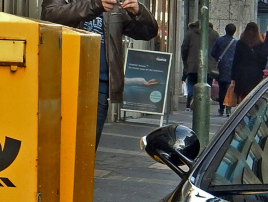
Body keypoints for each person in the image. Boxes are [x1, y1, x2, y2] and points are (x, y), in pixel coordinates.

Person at [42, 0, 158, 148]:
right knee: (56, 146)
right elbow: (49, 16)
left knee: (88, 148)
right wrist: (95, 5)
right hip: (62, 80)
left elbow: (148, 33)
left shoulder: (114, 7)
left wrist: (139, 10)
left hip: (99, 85)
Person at [230, 22, 265, 106]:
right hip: (255, 76)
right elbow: (263, 62)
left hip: (242, 75)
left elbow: (236, 60)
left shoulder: (240, 43)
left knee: (243, 98)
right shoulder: (261, 44)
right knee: (254, 97)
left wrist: (233, 77)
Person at [210, 22, 237, 116]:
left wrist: (219, 58)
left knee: (222, 88)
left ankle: (221, 109)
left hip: (221, 67)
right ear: (234, 32)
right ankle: (228, 109)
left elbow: (213, 52)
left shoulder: (219, 40)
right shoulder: (236, 43)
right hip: (232, 67)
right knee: (230, 89)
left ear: (225, 30)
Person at [180, 20, 201, 109]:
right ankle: (200, 104)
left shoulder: (189, 33)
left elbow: (184, 48)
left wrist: (186, 61)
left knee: (191, 83)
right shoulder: (212, 34)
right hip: (206, 67)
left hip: (192, 64)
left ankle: (190, 99)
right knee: (205, 83)